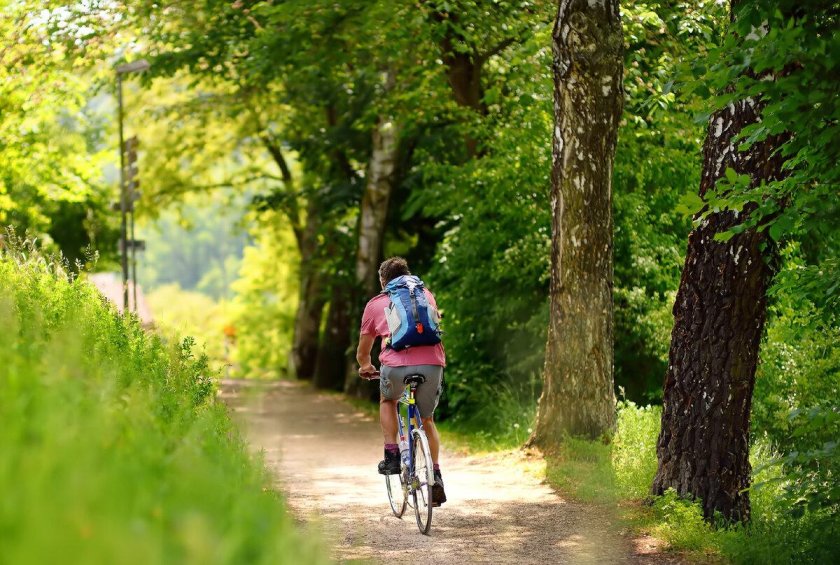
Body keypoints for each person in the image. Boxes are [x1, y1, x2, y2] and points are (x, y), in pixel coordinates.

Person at [357, 256, 447, 506]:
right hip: (432, 364)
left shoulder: (376, 304)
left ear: (383, 281)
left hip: (395, 367)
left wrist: (366, 366)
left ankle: (392, 455)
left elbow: (363, 352)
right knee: (427, 419)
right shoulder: (426, 295)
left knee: (388, 400)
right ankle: (435, 475)